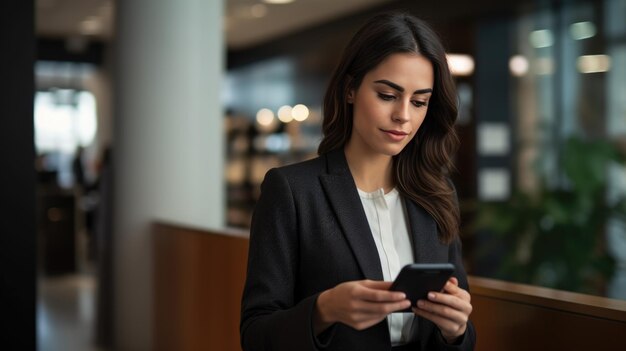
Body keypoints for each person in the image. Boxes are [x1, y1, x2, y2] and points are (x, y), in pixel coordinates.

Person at [240, 12, 476, 351]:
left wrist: (455, 331)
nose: (404, 116)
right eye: (387, 95)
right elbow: (255, 336)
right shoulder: (292, 192)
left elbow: (464, 338)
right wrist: (324, 310)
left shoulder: (438, 195)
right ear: (351, 89)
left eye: (420, 101)